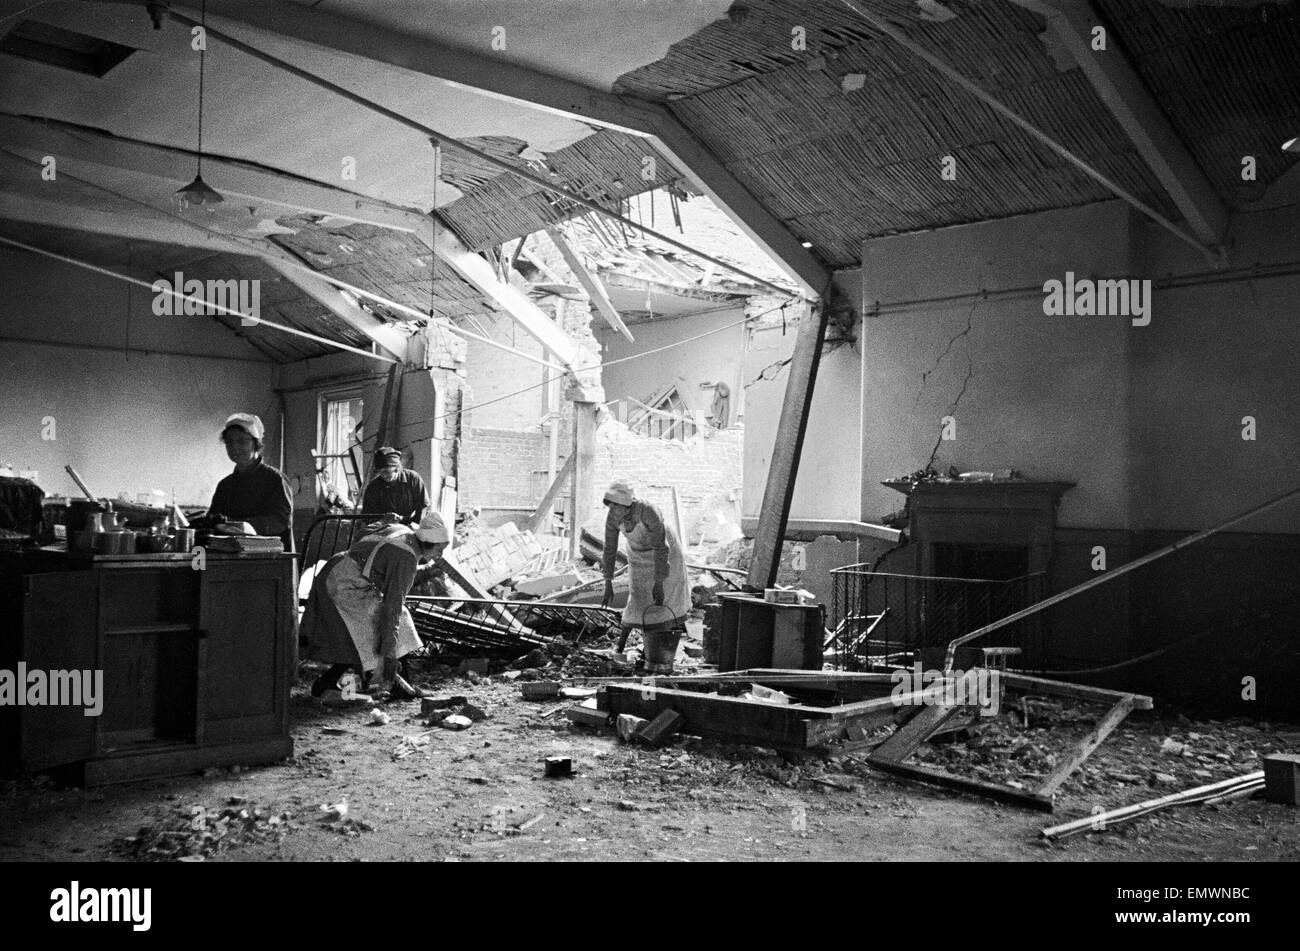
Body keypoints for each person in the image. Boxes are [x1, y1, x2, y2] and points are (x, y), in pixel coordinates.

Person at [300, 510, 451, 698]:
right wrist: (388, 653)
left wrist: (384, 521)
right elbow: (392, 606)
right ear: (427, 544)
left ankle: (335, 681)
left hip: (342, 568)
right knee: (370, 629)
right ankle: (395, 685)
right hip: (345, 581)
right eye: (439, 549)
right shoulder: (407, 558)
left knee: (373, 629)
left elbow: (361, 535)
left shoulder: (400, 529)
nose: (440, 555)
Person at [600, 481, 690, 673]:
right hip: (638, 554)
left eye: (616, 506)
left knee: (664, 600)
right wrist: (608, 582)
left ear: (627, 503)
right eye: (610, 505)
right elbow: (609, 549)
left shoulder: (648, 511)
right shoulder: (613, 517)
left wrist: (659, 583)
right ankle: (620, 648)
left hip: (665, 553)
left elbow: (661, 547)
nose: (612, 510)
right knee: (637, 597)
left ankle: (657, 653)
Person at [207, 413, 294, 550]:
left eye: (242, 441)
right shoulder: (225, 485)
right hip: (231, 556)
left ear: (256, 443)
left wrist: (241, 525)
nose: (234, 447)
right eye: (230, 442)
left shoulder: (274, 479)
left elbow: (281, 521)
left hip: (270, 557)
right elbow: (213, 520)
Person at [360, 446, 429, 525]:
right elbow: (367, 515)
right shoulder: (373, 487)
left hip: (411, 525)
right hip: (384, 527)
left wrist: (416, 525)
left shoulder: (413, 479)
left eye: (386, 471)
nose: (383, 476)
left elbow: (423, 504)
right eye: (380, 472)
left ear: (397, 468)